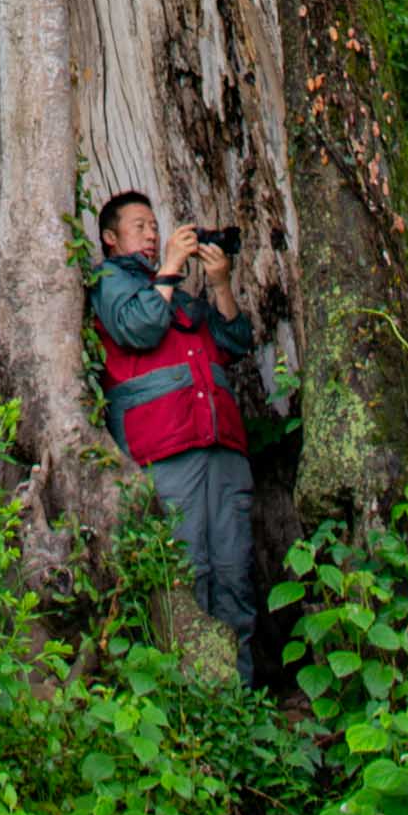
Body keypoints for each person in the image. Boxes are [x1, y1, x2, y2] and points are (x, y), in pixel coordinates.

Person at [88, 190, 257, 684]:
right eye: (138, 226)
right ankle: (190, 705)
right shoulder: (110, 282)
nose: (152, 233)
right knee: (184, 573)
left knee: (233, 572)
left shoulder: (181, 298)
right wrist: (167, 269)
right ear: (110, 237)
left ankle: (240, 702)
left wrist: (221, 284)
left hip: (220, 444)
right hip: (164, 450)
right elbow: (138, 328)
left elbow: (235, 342)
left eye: (154, 225)